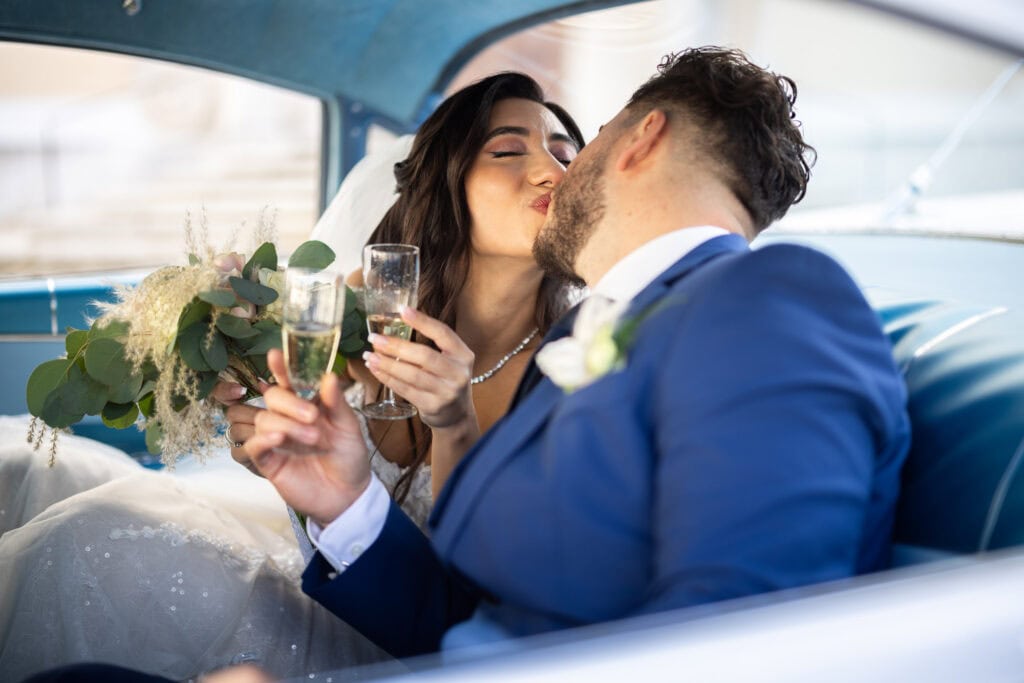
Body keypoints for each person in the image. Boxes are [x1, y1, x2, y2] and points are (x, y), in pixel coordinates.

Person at [246, 46, 911, 659]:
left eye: (579, 147)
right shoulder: (584, 335)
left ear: (641, 137)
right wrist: (347, 502)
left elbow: (740, 644)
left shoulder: (771, 301)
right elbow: (471, 619)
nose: (561, 173)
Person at [1, 71, 585, 682]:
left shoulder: (570, 359)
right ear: (446, 179)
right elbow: (306, 462)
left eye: (565, 154)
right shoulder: (358, 309)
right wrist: (263, 431)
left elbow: (472, 596)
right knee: (24, 472)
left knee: (87, 542)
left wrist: (453, 424)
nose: (552, 170)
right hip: (320, 564)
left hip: (401, 635)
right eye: (509, 150)